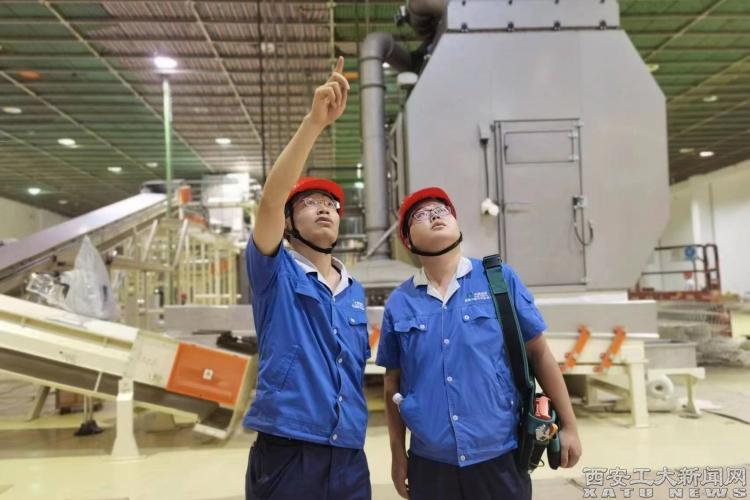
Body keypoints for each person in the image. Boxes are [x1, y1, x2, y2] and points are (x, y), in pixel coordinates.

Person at [376, 187, 582, 500]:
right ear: (408, 240)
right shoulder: (400, 302)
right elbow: (393, 383)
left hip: (499, 455)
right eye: (421, 215)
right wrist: (397, 455)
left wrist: (569, 426)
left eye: (442, 210)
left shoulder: (498, 280)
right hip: (430, 463)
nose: (435, 216)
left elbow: (539, 353)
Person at [243, 57, 371, 500]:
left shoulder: (353, 291)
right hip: (289, 451)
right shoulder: (273, 271)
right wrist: (314, 123)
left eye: (332, 205)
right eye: (310, 202)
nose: (325, 209)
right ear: (288, 221)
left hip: (349, 453)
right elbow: (269, 201)